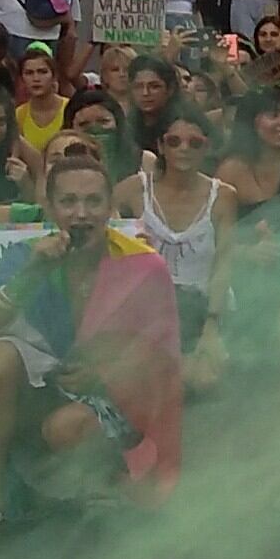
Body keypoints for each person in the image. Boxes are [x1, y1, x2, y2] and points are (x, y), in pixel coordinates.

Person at [0, 148, 178, 551]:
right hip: (43, 392)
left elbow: (161, 352)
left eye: (92, 201)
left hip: (114, 396)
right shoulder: (26, 256)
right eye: (68, 202)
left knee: (66, 428)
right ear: (49, 207)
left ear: (109, 207)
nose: (80, 214)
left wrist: (106, 374)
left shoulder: (140, 263)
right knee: (0, 355)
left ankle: (104, 485)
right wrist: (33, 273)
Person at [118, 106, 231, 388]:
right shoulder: (134, 189)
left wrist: (212, 326)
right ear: (160, 146)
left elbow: (224, 264)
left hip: (202, 308)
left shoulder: (224, 196)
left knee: (202, 380)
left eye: (195, 143)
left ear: (207, 147)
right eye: (174, 141)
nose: (184, 149)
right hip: (144, 308)